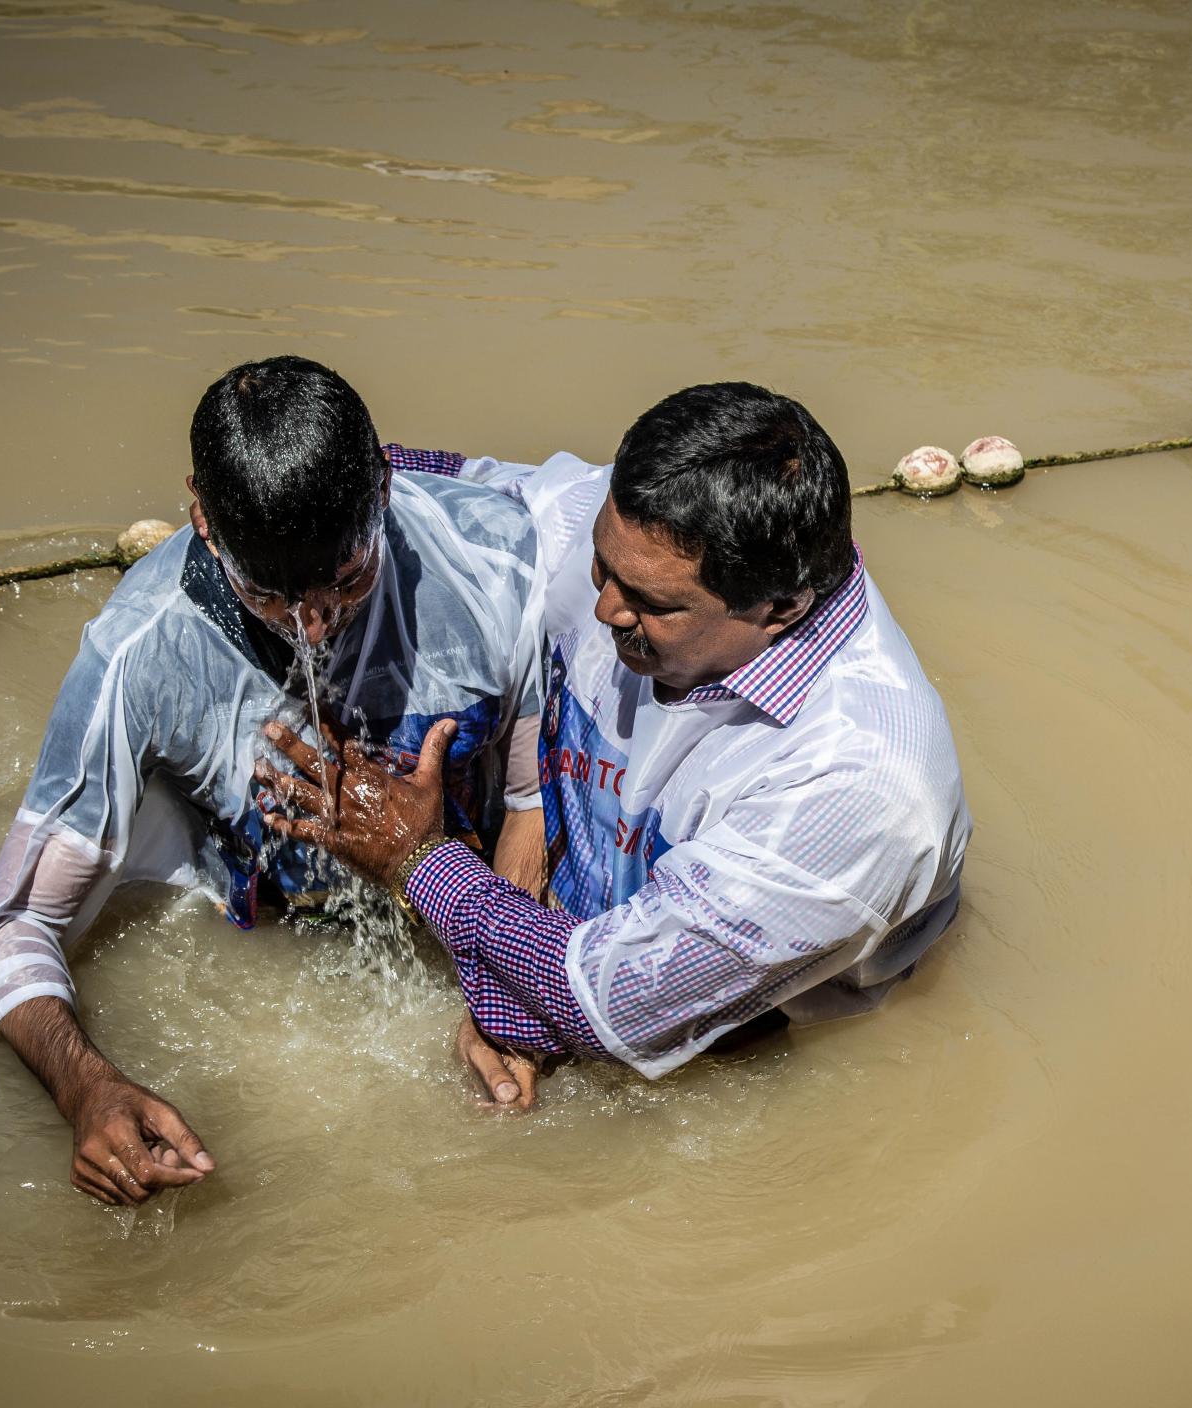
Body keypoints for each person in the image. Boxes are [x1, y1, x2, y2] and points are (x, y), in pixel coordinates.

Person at [257, 381, 971, 1103]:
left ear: (779, 607)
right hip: (573, 938)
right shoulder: (644, 534)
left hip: (756, 1054)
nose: (602, 607)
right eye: (602, 565)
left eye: (651, 603)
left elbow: (611, 1001)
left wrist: (415, 858)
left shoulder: (857, 785)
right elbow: (457, 484)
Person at [0, 356, 548, 1205]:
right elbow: (13, 924)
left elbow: (531, 805)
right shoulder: (141, 651)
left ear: (385, 483)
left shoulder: (498, 565)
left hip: (464, 899)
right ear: (202, 517)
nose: (315, 625)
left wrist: (500, 994)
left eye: (348, 580)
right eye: (271, 596)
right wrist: (85, 1087)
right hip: (274, 933)